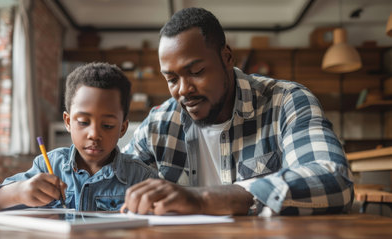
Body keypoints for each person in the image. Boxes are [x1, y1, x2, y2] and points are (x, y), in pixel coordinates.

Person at [121, 7, 353, 216]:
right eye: (171, 79)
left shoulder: (286, 102)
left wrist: (202, 199)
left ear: (227, 57)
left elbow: (335, 180)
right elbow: (111, 180)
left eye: (197, 71)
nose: (183, 90)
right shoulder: (159, 124)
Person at [0, 62, 157, 211]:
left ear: (123, 127)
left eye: (107, 125)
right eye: (83, 122)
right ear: (68, 121)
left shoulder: (140, 177)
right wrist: (19, 192)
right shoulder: (48, 166)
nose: (94, 134)